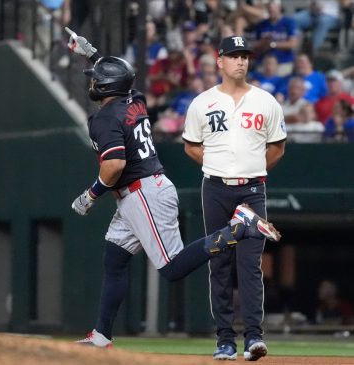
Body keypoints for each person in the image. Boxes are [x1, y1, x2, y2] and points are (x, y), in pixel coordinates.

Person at [64, 28, 282, 348]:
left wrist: (91, 195)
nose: (92, 83)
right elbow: (122, 78)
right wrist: (92, 54)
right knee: (114, 258)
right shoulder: (134, 100)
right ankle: (101, 334)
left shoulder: (105, 119)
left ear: (107, 86)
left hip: (142, 193)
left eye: (96, 78)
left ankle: (238, 228)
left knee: (173, 267)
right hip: (143, 190)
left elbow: (114, 166)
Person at [182, 35, 286, 361]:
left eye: (244, 56)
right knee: (220, 263)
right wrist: (218, 166)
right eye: (234, 55)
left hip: (252, 191)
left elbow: (277, 146)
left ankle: (254, 337)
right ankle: (225, 339)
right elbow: (191, 145)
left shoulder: (266, 101)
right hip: (215, 188)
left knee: (250, 264)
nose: (241, 61)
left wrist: (251, 169)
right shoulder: (202, 102)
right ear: (220, 61)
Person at [253, 0, 298, 77]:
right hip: (264, 62)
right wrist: (263, 42)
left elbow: (293, 43)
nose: (271, 12)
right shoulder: (261, 24)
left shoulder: (289, 22)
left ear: (279, 8)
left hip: (283, 62)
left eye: (273, 9)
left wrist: (273, 44)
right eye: (269, 10)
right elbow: (255, 45)